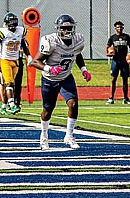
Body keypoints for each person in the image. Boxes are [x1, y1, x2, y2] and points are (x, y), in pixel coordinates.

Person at [30, 14, 92, 150]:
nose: (67, 31)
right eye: (64, 29)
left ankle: (69, 136)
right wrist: (50, 68)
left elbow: (77, 54)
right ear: (58, 29)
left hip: (65, 77)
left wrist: (83, 69)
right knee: (47, 110)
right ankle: (44, 137)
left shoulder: (77, 40)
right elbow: (35, 61)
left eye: (69, 28)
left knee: (73, 103)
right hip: (49, 79)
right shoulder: (51, 41)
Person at [0, 13, 32, 115]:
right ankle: (12, 105)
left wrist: (29, 56)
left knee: (10, 85)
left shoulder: (21, 31)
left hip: (16, 61)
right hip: (5, 60)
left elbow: (24, 44)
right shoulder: (2, 32)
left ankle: (3, 106)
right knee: (9, 83)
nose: (12, 25)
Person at [105, 21, 130, 105]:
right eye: (118, 27)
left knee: (125, 80)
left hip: (124, 61)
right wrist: (108, 53)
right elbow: (107, 47)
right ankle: (111, 98)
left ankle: (126, 98)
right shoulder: (112, 38)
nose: (120, 28)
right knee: (113, 79)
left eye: (121, 27)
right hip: (115, 61)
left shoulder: (126, 37)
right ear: (115, 28)